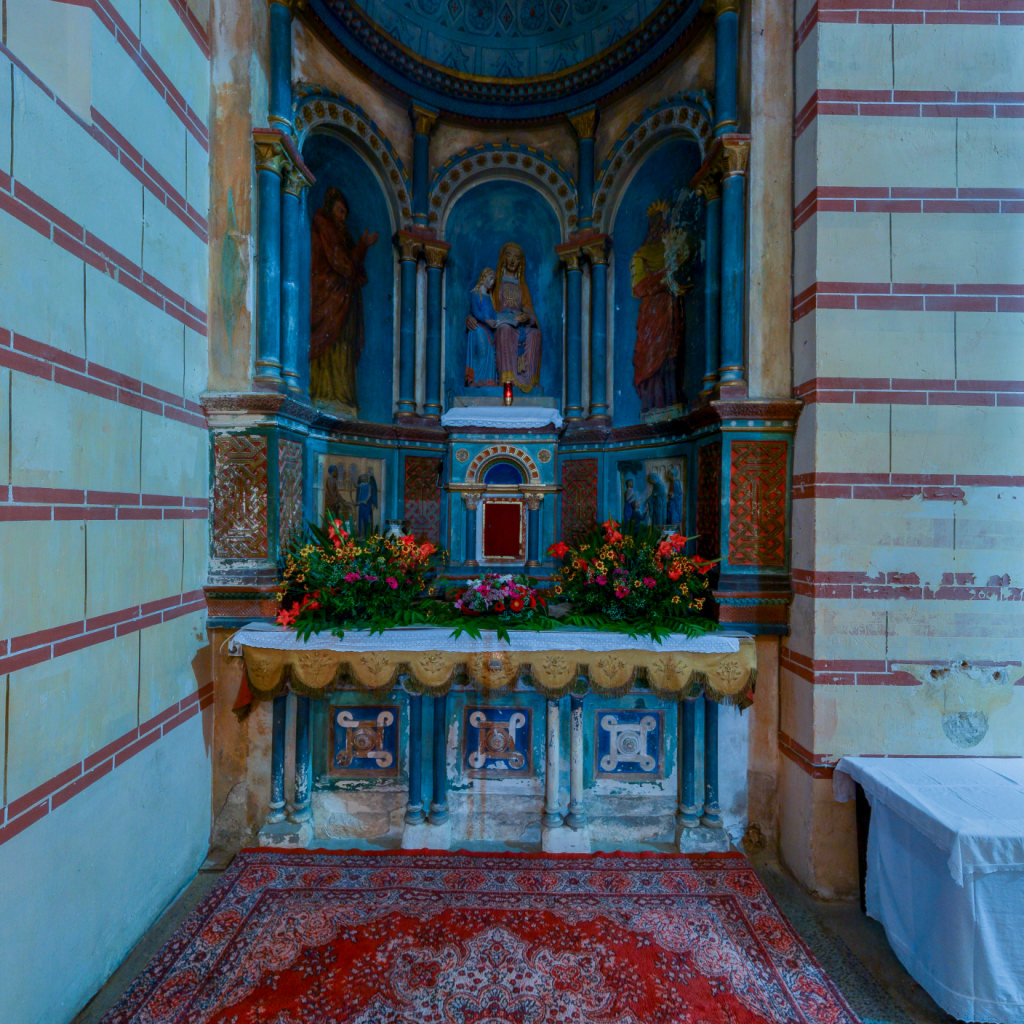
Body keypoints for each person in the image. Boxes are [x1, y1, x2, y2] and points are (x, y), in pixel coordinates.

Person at [309, 188, 378, 409]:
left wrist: (361, 247)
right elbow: (343, 264)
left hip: (344, 299)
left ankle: (341, 396)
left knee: (344, 345)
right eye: (340, 211)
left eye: (345, 213)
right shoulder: (324, 226)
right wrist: (362, 245)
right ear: (330, 209)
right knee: (328, 342)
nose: (342, 217)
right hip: (329, 296)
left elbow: (351, 266)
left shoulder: (342, 234)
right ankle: (323, 394)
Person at [631, 200, 684, 413]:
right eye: (658, 223)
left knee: (671, 354)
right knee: (651, 355)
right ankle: (654, 402)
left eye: (665, 223)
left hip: (671, 307)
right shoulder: (642, 254)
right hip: (652, 312)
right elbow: (638, 287)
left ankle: (670, 400)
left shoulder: (674, 250)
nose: (662, 227)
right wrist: (665, 275)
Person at [491, 241, 542, 393]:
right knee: (505, 330)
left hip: (519, 325)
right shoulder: (496, 283)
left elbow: (529, 310)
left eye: (516, 257)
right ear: (503, 259)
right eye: (509, 256)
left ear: (520, 263)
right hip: (501, 323)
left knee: (535, 334)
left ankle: (529, 379)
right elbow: (487, 306)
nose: (512, 260)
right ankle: (507, 378)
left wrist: (526, 316)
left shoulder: (522, 286)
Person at [464, 267, 498, 387]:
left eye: (494, 280)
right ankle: (476, 379)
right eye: (491, 279)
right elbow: (476, 311)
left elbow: (494, 314)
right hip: (479, 327)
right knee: (481, 353)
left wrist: (501, 319)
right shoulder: (475, 293)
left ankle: (488, 380)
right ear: (484, 277)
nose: (492, 282)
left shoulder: (489, 297)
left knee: (490, 354)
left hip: (489, 330)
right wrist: (487, 320)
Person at [356, 469, 378, 537]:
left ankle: (367, 534)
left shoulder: (369, 485)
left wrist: (366, 500)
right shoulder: (361, 485)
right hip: (362, 504)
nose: (362, 478)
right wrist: (351, 480)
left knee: (366, 519)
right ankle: (360, 534)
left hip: (366, 505)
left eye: (363, 477)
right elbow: (356, 486)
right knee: (360, 519)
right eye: (362, 477)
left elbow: (370, 494)